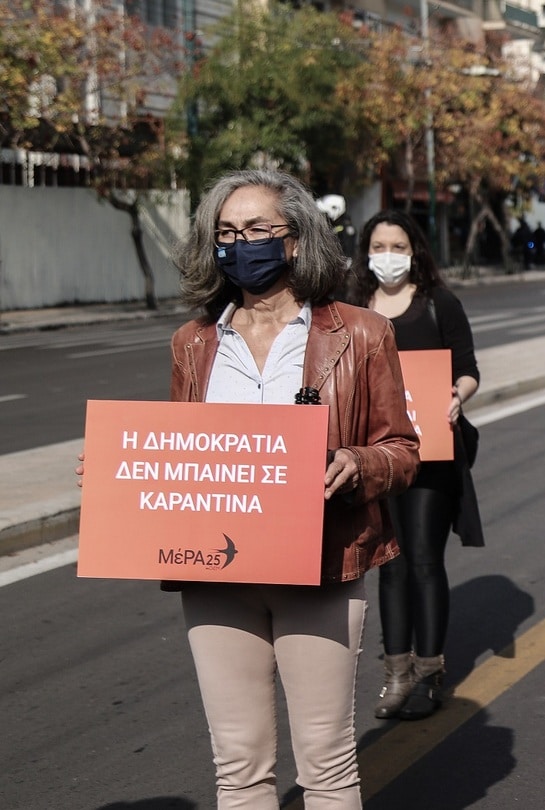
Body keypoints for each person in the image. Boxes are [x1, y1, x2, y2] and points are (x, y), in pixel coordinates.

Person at [77, 168, 420, 808]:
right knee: (238, 769)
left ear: (295, 241)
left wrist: (355, 463)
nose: (241, 243)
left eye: (258, 229)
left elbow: (402, 450)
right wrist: (117, 474)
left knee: (326, 767)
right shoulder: (193, 344)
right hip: (217, 578)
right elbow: (182, 454)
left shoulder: (362, 335)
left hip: (321, 567)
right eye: (227, 232)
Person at [349, 210, 482, 721]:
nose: (387, 255)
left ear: (415, 250)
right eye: (378, 245)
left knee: (424, 560)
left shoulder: (438, 305)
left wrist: (455, 396)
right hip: (375, 458)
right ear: (366, 251)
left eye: (397, 245)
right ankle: (396, 674)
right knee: (391, 564)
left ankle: (429, 673)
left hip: (430, 453)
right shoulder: (353, 308)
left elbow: (468, 369)